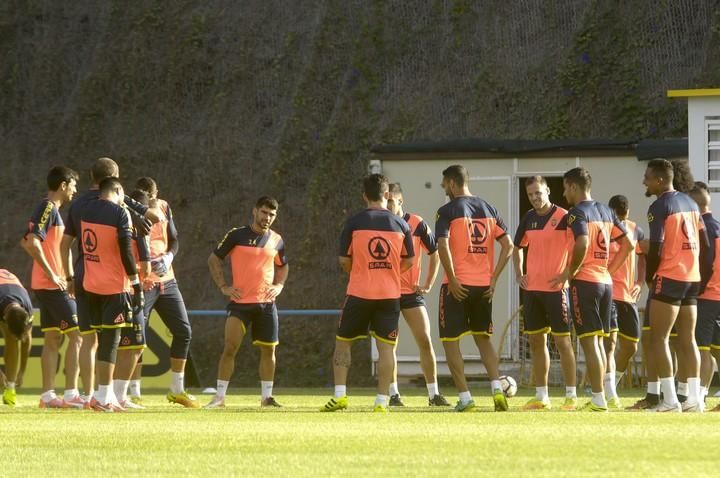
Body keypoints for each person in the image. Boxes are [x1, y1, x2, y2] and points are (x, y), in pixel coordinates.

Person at [60, 157, 158, 405]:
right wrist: (128, 204)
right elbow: (154, 216)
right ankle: (107, 396)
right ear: (115, 180)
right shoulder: (120, 207)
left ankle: (87, 394)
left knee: (87, 338)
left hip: (83, 276)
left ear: (92, 175)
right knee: (112, 339)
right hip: (113, 280)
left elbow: (65, 245)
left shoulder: (79, 204)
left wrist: (69, 276)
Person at [321, 174, 414, 412]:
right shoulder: (402, 224)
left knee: (343, 343)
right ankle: (382, 401)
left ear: (364, 196)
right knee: (387, 349)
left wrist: (361, 271)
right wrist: (389, 270)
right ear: (387, 195)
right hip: (390, 295)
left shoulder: (353, 222)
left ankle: (340, 395)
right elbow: (409, 260)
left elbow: (344, 260)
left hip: (359, 293)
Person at [550, 167, 632, 412]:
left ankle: (597, 398)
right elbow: (628, 243)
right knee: (599, 343)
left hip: (585, 283)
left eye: (565, 188)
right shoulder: (606, 211)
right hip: (605, 282)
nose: (564, 194)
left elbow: (582, 242)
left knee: (589, 343)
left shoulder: (577, 213)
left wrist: (570, 272)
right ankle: (603, 396)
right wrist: (610, 269)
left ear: (574, 186)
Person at [434, 165, 514, 412]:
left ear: (451, 183)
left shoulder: (447, 210)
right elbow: (508, 246)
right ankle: (496, 389)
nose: (443, 188)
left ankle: (465, 397)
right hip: (483, 286)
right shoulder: (489, 208)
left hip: (457, 286)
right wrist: (493, 279)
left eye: (444, 184)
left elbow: (442, 246)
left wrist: (453, 278)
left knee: (450, 342)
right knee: (483, 340)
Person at [205, 196, 289, 408]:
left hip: (266, 304)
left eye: (271, 214)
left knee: (269, 350)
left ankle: (266, 398)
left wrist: (279, 287)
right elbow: (214, 259)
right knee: (230, 347)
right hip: (240, 303)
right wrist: (224, 286)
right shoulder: (236, 235)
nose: (267, 217)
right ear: (254, 211)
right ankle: (220, 398)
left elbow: (283, 266)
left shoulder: (277, 240)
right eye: (264, 212)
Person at [124, 178, 198, 408]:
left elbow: (174, 239)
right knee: (138, 336)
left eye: (152, 196)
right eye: (146, 196)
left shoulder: (164, 207)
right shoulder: (128, 210)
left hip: (167, 280)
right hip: (141, 282)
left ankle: (177, 389)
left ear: (157, 194)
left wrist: (169, 257)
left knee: (183, 330)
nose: (150, 200)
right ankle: (133, 391)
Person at [642, 159, 706, 412]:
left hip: (669, 276)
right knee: (688, 339)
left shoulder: (659, 206)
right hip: (692, 276)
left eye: (647, 177)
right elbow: (704, 244)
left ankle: (669, 400)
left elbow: (656, 245)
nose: (644, 181)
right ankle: (693, 400)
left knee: (659, 338)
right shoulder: (691, 203)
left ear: (660, 180)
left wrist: (650, 275)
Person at [20, 166, 83, 408]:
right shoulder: (47, 207)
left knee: (52, 338)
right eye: (73, 186)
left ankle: (48, 396)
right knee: (77, 335)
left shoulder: (52, 210)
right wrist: (53, 274)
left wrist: (66, 277)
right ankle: (70, 394)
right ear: (64, 185)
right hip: (50, 285)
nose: (75, 191)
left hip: (46, 284)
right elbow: (32, 243)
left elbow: (25, 241)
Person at [513, 176, 577, 411]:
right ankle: (542, 396)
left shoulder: (564, 217)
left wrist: (568, 275)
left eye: (538, 193)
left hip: (556, 290)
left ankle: (571, 396)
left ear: (548, 191)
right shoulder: (528, 218)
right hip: (532, 291)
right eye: (530, 195)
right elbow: (517, 246)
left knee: (563, 342)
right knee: (537, 343)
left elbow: (579, 246)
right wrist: (519, 274)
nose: (535, 198)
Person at [80, 177, 145, 412]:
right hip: (114, 287)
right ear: (117, 191)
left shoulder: (86, 209)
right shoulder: (119, 213)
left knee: (100, 341)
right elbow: (127, 250)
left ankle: (101, 395)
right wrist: (136, 283)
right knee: (111, 342)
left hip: (90, 285)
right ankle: (104, 398)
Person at [385, 183, 449, 407]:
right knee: (389, 345)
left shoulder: (417, 223)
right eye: (385, 200)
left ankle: (433, 394)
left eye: (390, 201)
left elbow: (435, 252)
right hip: (387, 293)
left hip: (411, 293)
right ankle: (393, 395)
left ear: (400, 202)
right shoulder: (380, 224)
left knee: (425, 340)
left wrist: (428, 283)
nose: (387, 204)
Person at [604, 195, 646, 408]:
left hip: (628, 296)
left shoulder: (635, 230)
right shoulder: (604, 229)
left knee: (630, 346)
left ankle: (611, 383)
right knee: (609, 344)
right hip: (608, 293)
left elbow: (644, 256)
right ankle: (609, 392)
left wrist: (640, 281)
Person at [688, 182, 718, 405]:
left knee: (702, 348)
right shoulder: (717, 225)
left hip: (707, 296)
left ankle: (698, 396)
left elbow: (706, 262)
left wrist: (698, 288)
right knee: (716, 349)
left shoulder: (701, 227)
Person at [0, 269, 34, 407]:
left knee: (13, 340)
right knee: (11, 338)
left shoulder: (27, 310)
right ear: (5, 321)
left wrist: (22, 372)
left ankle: (11, 387)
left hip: (12, 290)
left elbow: (26, 341)